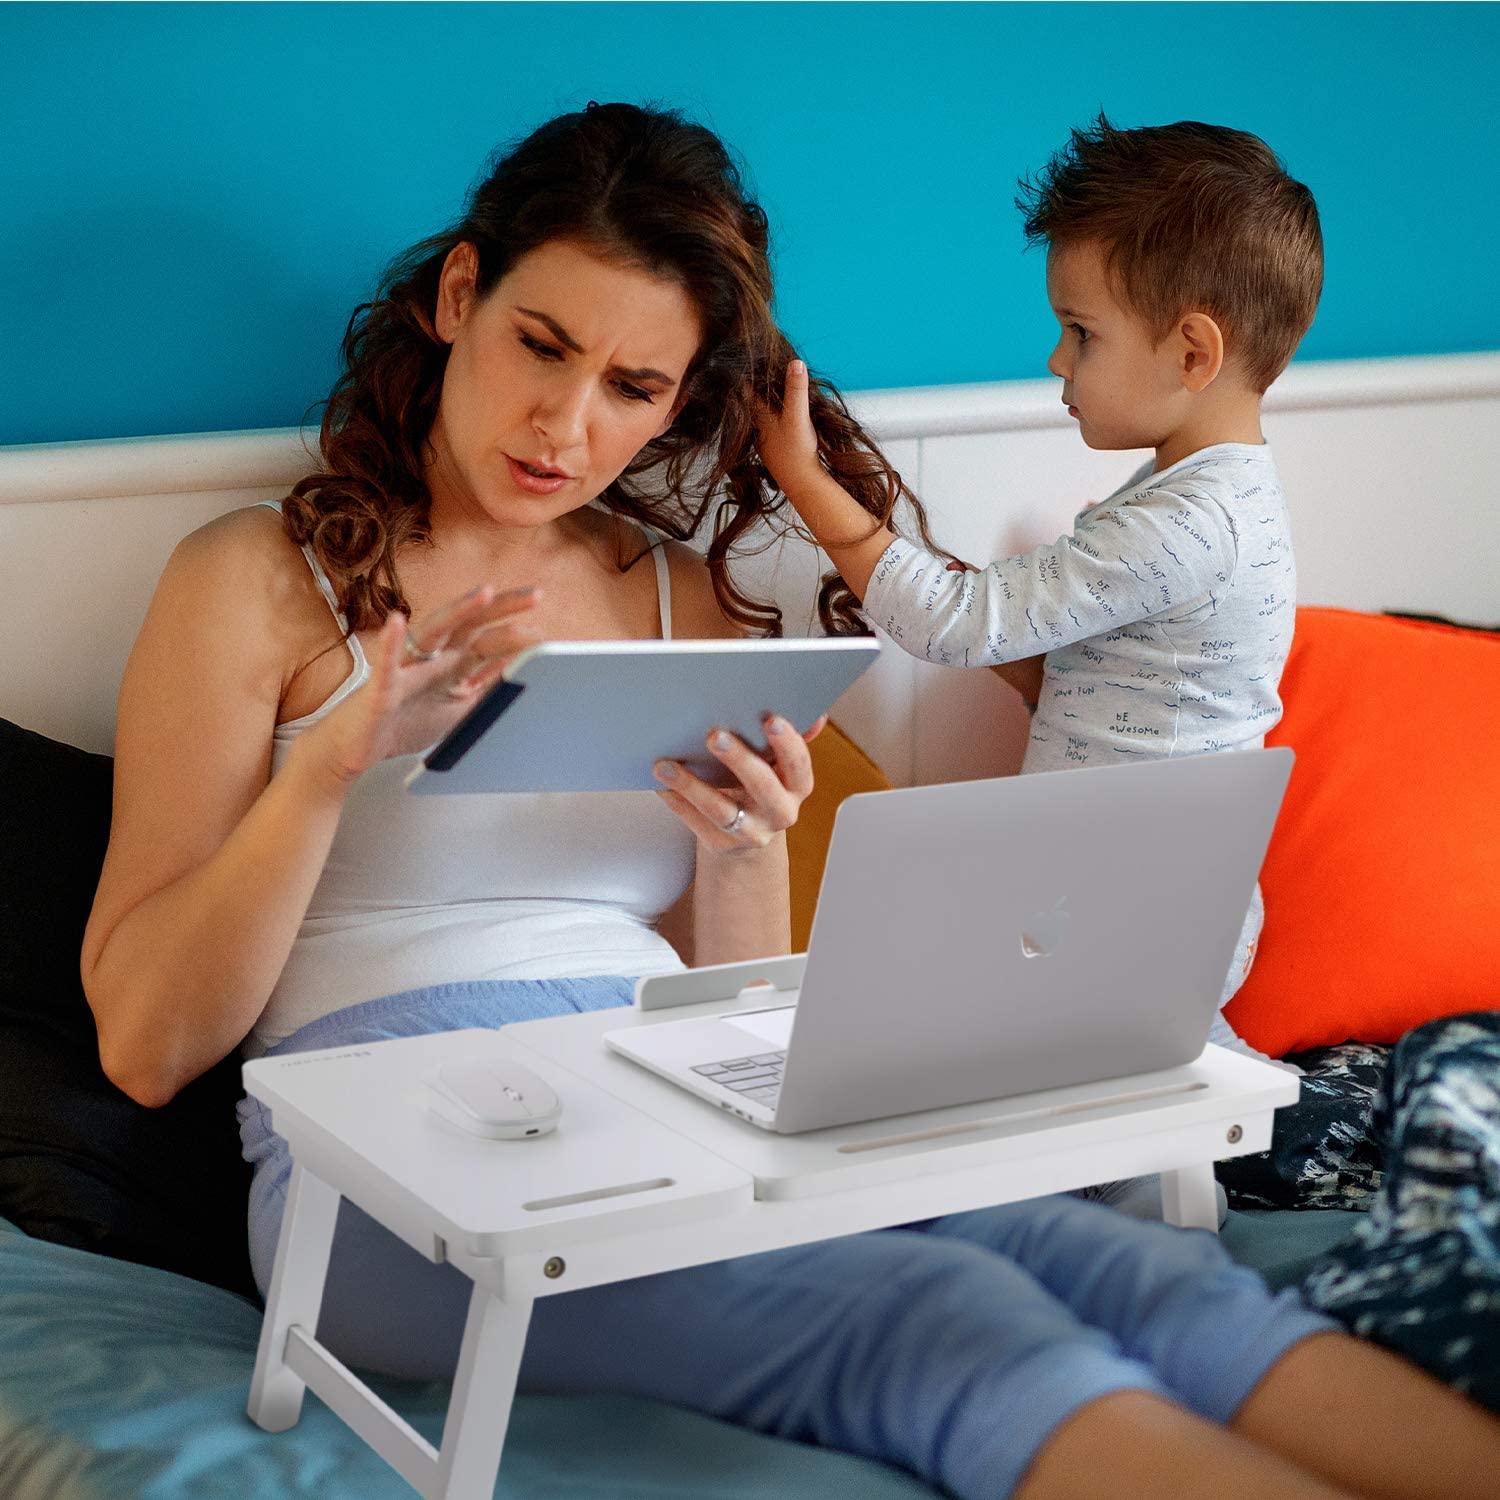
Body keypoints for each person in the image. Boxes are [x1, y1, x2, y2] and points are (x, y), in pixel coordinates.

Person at [80, 103, 1500, 1500]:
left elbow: (736, 994)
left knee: (1112, 1260)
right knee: (939, 1326)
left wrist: (746, 841)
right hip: (403, 1174)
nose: (568, 427)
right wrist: (330, 767)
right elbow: (149, 1045)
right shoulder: (256, 584)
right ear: (461, 295)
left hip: (668, 1099)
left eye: (635, 389)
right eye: (542, 345)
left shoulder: (671, 594)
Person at [756, 116, 1320, 1066]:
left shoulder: (1184, 524)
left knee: (993, 1050)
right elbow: (1085, 675)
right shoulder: (1209, 495)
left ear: (1193, 352)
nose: (1058, 359)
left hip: (1137, 908)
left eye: (1081, 331)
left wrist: (807, 482)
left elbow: (953, 625)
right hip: (1163, 896)